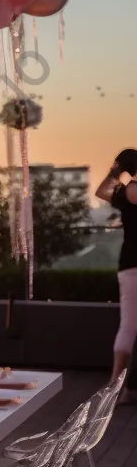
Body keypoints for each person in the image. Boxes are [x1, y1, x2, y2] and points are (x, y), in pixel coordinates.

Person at [95, 148, 137, 394]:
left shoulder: (125, 191)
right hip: (134, 266)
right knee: (130, 326)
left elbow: (101, 191)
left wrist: (114, 171)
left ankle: (117, 387)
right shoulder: (133, 189)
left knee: (129, 325)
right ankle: (119, 388)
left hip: (129, 264)